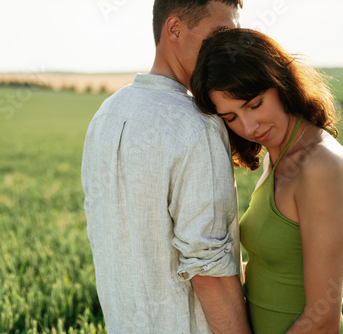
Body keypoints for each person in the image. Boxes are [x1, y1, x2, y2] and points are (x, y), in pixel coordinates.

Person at [81, 1, 251, 333]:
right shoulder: (196, 125)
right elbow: (208, 268)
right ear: (173, 29)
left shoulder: (106, 114)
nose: (231, 50)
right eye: (221, 35)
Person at [191, 28, 343, 334]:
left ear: (280, 81)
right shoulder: (277, 157)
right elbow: (273, 271)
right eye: (230, 118)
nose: (249, 126)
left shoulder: (320, 165)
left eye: (254, 104)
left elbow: (322, 320)